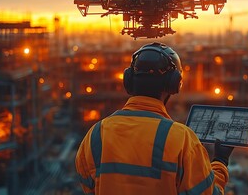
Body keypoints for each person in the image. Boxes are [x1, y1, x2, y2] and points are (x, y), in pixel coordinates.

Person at [75, 42, 234, 194]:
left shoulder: (96, 134)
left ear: (129, 81)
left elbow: (89, 186)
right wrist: (221, 160)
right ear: (174, 84)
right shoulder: (182, 140)